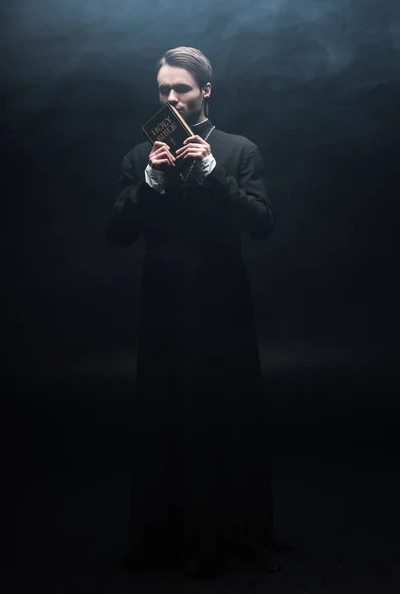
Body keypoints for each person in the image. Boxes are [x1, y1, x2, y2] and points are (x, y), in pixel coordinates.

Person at [106, 47, 287, 578]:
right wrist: (150, 186)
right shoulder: (141, 155)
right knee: (162, 415)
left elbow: (262, 225)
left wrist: (212, 173)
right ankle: (162, 532)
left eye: (181, 88)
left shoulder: (238, 150)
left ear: (205, 91)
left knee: (226, 411)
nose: (171, 98)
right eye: (163, 90)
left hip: (222, 303)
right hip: (161, 306)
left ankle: (234, 532)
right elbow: (116, 235)